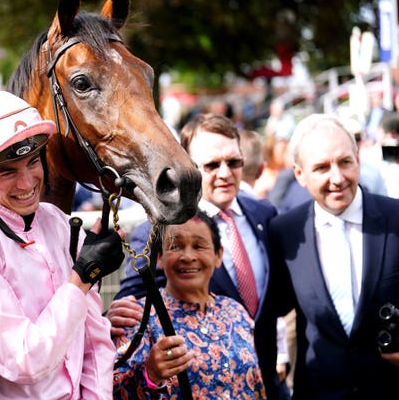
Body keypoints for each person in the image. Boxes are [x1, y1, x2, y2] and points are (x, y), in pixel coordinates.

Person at [0, 91, 125, 399]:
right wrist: (80, 281)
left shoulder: (57, 221)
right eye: (8, 171)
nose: (26, 183)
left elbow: (94, 341)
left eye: (33, 162)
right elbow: (23, 359)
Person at [108, 113, 287, 399]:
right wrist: (115, 314)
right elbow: (130, 311)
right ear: (189, 168)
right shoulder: (157, 232)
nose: (225, 173)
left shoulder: (265, 216)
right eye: (212, 165)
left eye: (234, 162)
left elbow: (274, 300)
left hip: (261, 381)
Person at [269, 114, 399, 399]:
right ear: (300, 174)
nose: (337, 178)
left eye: (345, 162)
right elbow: (270, 311)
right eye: (322, 167)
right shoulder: (284, 232)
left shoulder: (396, 218)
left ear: (358, 160)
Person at [113, 210, 266, 399]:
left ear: (218, 255)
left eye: (199, 246)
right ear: (159, 257)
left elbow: (256, 387)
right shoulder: (138, 318)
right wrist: (150, 376)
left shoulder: (236, 311)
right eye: (175, 246)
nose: (187, 256)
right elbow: (112, 391)